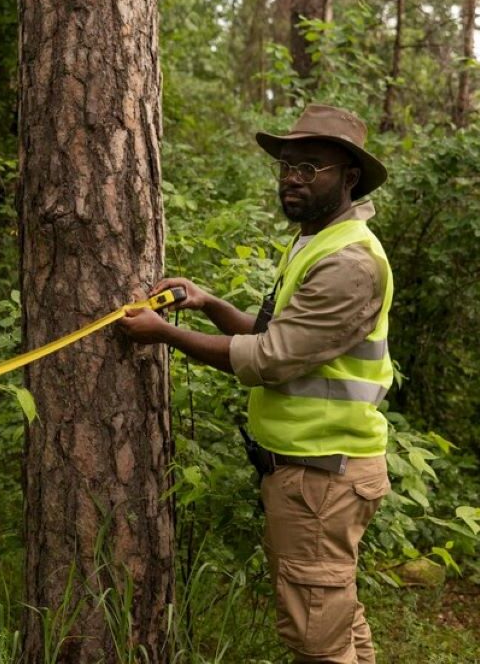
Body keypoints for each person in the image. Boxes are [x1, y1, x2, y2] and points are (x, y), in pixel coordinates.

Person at [121, 104, 393, 664]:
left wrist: (165, 335)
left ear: (349, 178)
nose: (292, 176)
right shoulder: (313, 242)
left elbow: (270, 358)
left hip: (323, 476)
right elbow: (278, 335)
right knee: (335, 618)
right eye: (287, 165)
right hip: (312, 472)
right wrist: (207, 302)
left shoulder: (349, 262)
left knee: (316, 638)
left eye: (311, 166)